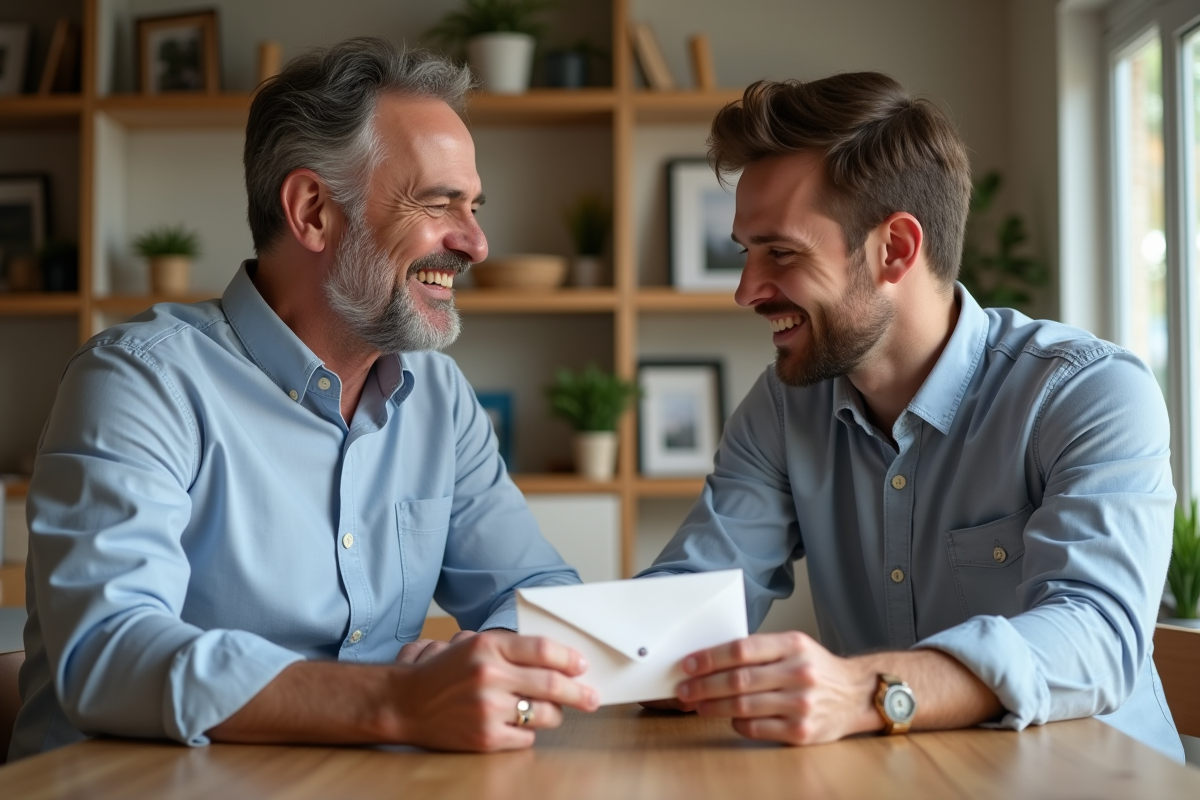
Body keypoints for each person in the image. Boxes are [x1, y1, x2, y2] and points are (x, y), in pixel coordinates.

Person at [9, 38, 599, 762]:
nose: (476, 243)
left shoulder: (439, 398)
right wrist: (395, 701)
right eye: (440, 204)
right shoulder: (138, 382)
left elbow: (538, 593)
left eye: (473, 207)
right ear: (314, 211)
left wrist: (496, 666)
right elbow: (106, 654)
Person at [640, 73, 1183, 760]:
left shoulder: (1087, 392)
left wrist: (868, 689)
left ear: (894, 248)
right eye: (746, 253)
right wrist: (570, 651)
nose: (747, 290)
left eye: (780, 252)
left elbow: (1097, 635)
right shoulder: (783, 406)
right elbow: (696, 598)